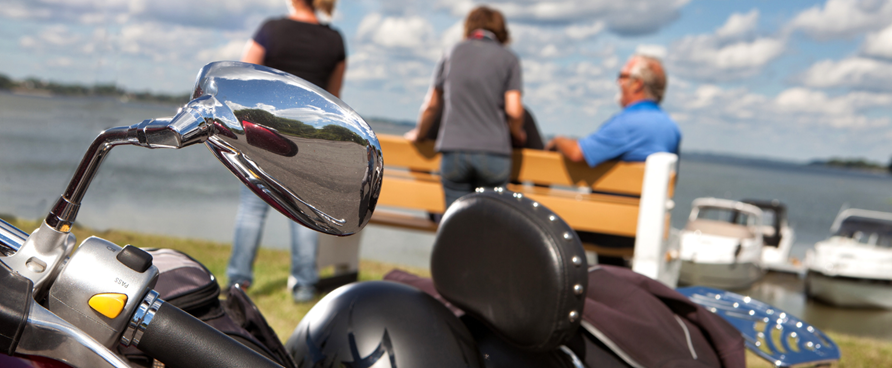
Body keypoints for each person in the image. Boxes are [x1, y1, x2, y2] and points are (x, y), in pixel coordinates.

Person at [226, 0, 345, 303]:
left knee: (253, 209)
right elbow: (334, 98)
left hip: (265, 132)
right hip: (308, 136)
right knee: (304, 211)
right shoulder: (335, 41)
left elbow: (241, 79)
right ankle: (304, 286)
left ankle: (238, 283)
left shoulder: (271, 30)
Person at [405, 6, 526, 210]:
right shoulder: (509, 58)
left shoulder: (451, 53)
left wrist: (419, 133)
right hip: (494, 152)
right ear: (501, 31)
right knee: (491, 222)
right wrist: (517, 133)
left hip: (454, 151)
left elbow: (431, 106)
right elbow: (514, 111)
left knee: (457, 221)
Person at [545, 54, 680, 168]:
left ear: (636, 84)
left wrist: (558, 140)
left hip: (618, 192)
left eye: (622, 76)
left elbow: (577, 153)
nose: (617, 81)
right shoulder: (672, 127)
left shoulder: (628, 122)